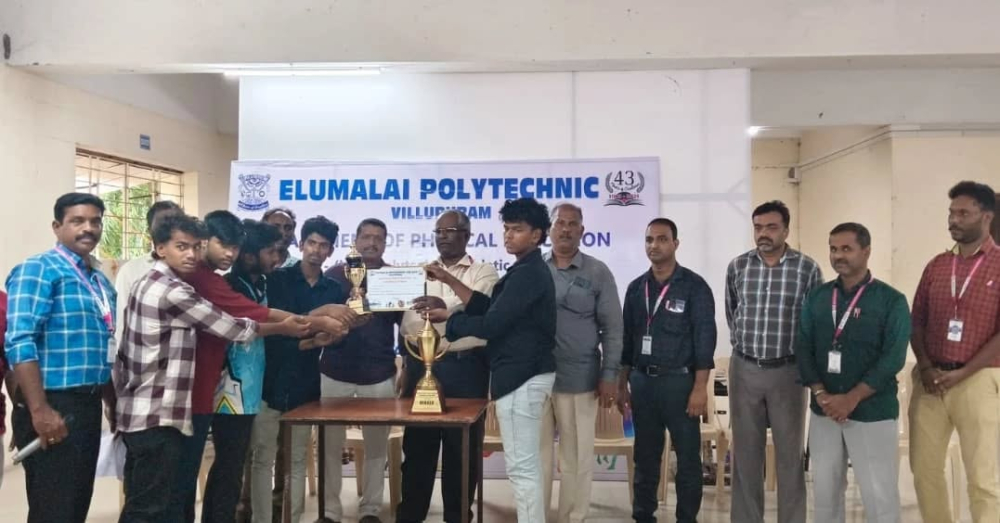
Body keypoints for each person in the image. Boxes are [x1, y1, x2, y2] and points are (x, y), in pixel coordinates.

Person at [114, 213, 311, 522]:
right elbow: (233, 325)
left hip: (164, 404)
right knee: (157, 502)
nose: (191, 254)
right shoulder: (177, 288)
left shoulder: (161, 280)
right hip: (163, 408)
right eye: (182, 246)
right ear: (160, 248)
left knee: (164, 496)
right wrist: (293, 325)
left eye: (196, 246)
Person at [425, 197, 557, 523]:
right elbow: (490, 308)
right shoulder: (523, 270)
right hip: (520, 375)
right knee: (524, 465)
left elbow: (492, 325)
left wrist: (451, 321)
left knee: (522, 467)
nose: (509, 235)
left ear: (537, 235)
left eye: (517, 230)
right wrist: (450, 281)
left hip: (522, 375)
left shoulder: (529, 274)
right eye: (506, 228)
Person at [6, 192, 117, 523]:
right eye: (77, 221)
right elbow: (20, 341)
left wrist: (110, 401)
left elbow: (102, 345)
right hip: (51, 403)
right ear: (57, 226)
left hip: (87, 404)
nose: (88, 228)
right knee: (53, 509)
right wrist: (39, 410)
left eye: (95, 221)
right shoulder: (38, 269)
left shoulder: (99, 280)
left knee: (75, 504)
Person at [797, 222, 909, 523]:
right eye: (833, 249)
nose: (838, 256)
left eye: (846, 248)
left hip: (872, 412)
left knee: (879, 495)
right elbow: (803, 347)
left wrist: (852, 398)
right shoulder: (818, 297)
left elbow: (893, 358)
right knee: (825, 494)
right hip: (824, 411)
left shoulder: (891, 300)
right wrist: (821, 393)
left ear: (866, 251)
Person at [395, 210, 499, 523]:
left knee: (461, 452)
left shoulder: (483, 271)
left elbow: (481, 309)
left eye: (450, 230)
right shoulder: (417, 273)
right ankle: (410, 516)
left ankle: (457, 517)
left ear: (467, 235)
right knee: (417, 451)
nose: (442, 236)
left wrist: (448, 310)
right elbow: (405, 321)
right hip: (419, 367)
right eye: (438, 231)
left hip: (465, 368)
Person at [252, 215, 355, 523]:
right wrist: (319, 321)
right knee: (262, 459)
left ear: (331, 251)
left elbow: (332, 340)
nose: (316, 250)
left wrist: (336, 335)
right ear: (301, 244)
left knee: (297, 459)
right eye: (311, 243)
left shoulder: (334, 289)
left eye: (323, 245)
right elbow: (277, 329)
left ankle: (293, 518)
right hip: (269, 380)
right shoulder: (277, 279)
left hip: (306, 383)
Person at [725, 200, 822, 523]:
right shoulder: (738, 267)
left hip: (788, 371)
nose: (763, 234)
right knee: (745, 456)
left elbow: (814, 323)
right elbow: (733, 312)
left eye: (771, 227)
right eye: (758, 227)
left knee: (790, 456)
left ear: (786, 230)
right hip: (745, 369)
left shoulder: (807, 269)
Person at [910, 181, 1000, 523]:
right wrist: (926, 367)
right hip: (931, 381)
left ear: (986, 216)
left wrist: (964, 372)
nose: (954, 220)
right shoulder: (937, 265)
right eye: (951, 213)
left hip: (978, 380)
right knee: (925, 472)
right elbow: (916, 321)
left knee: (982, 477)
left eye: (963, 213)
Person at [616, 218, 716, 523]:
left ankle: (687, 518)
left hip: (680, 384)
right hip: (643, 383)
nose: (654, 245)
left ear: (675, 244)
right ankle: (643, 515)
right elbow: (627, 340)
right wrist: (622, 385)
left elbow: (705, 341)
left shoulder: (694, 287)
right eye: (649, 240)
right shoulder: (636, 288)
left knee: (687, 458)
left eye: (662, 239)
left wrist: (699, 389)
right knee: (645, 456)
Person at [540, 202, 623, 523]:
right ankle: (535, 515)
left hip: (580, 377)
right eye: (559, 223)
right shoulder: (533, 268)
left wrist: (610, 374)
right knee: (537, 456)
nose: (565, 229)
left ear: (582, 231)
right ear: (549, 229)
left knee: (576, 455)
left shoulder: (597, 272)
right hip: (536, 377)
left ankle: (573, 517)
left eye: (572, 223)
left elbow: (613, 329)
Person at [320, 218, 403, 523]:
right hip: (334, 371)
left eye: (378, 238)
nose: (372, 242)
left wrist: (408, 364)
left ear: (385, 243)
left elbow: (406, 326)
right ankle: (330, 511)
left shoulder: (393, 278)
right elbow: (320, 321)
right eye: (366, 236)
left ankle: (370, 510)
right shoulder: (333, 276)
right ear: (355, 241)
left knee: (376, 447)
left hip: (379, 374)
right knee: (329, 446)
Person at [113, 200, 183, 360]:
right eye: (163, 225)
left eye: (177, 223)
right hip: (146, 363)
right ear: (149, 231)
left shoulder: (192, 268)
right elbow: (122, 322)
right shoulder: (131, 271)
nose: (170, 230)